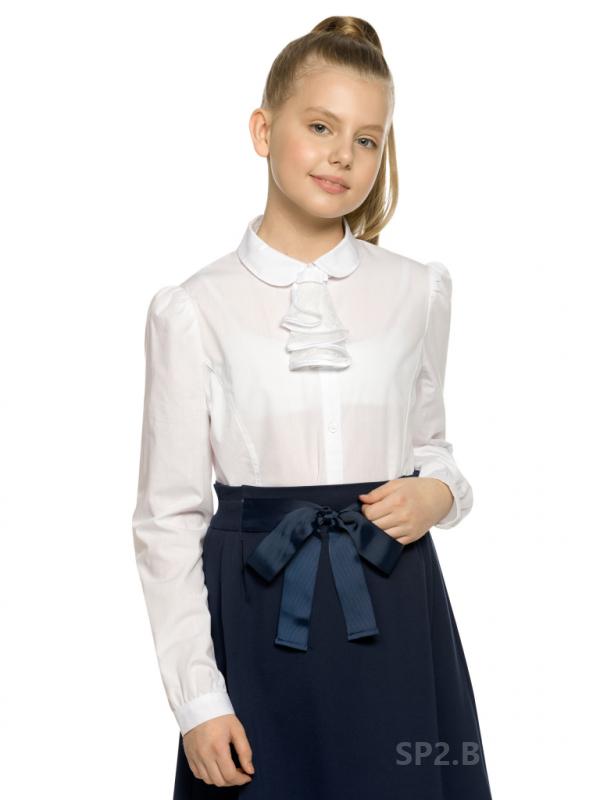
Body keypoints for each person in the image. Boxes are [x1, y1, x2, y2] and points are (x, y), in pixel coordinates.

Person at [131, 15, 494, 800]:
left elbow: (432, 445)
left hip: (397, 603)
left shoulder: (417, 290)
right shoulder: (194, 308)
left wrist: (438, 493)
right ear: (264, 131)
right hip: (258, 612)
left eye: (367, 139)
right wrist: (198, 700)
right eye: (321, 127)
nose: (342, 155)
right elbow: (167, 518)